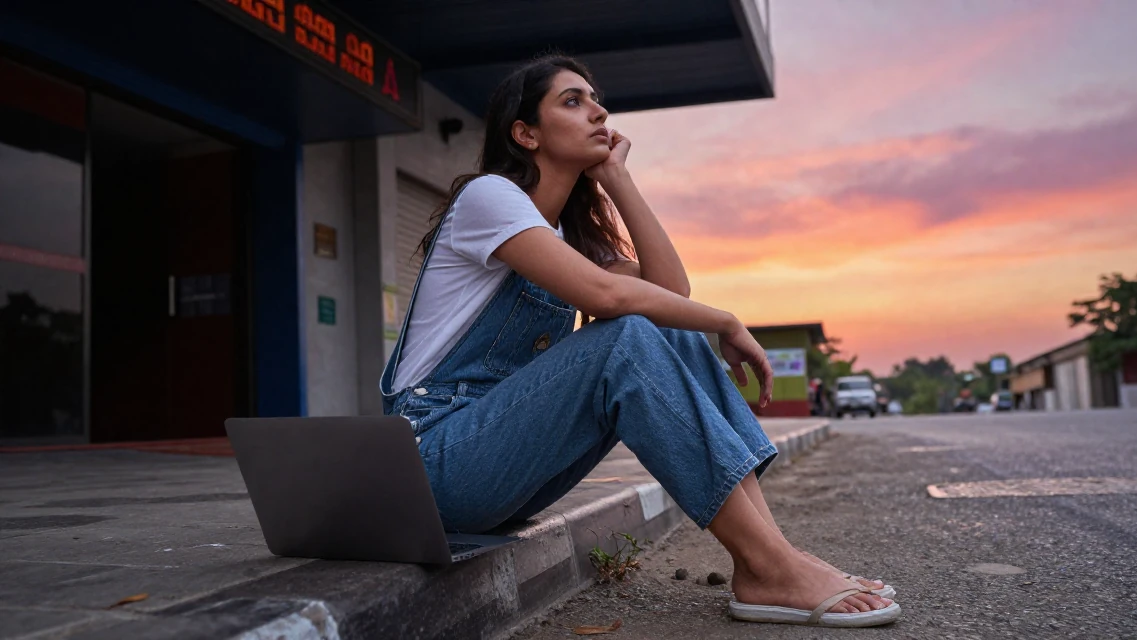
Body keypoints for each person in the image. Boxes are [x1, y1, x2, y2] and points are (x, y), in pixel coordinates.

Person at [380, 55, 900, 628]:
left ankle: (768, 557)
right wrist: (727, 321)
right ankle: (770, 563)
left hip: (501, 467)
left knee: (664, 320)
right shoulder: (489, 197)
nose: (598, 110)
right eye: (572, 101)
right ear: (525, 133)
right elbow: (611, 298)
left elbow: (673, 294)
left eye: (596, 99)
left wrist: (619, 181)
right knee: (622, 335)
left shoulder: (564, 235)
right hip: (434, 460)